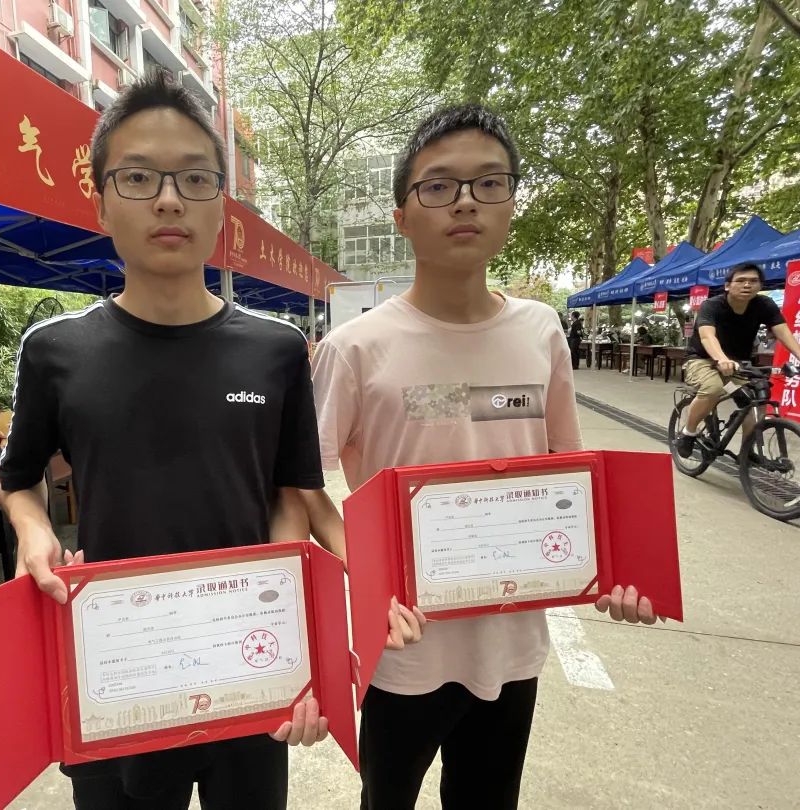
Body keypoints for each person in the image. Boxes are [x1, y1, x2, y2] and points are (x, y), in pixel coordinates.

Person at [301, 104, 661, 810]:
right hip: (406, 649)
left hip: (513, 642)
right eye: (439, 185)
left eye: (489, 183)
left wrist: (616, 570)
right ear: (403, 217)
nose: (465, 201)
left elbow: (568, 469)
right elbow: (305, 485)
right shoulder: (356, 348)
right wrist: (365, 575)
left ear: (510, 206)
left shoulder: (541, 331)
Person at [0, 73, 330, 810]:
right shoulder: (56, 351)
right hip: (117, 669)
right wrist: (33, 532)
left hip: (246, 663)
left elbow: (291, 497)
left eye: (195, 178)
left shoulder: (276, 350)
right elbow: (19, 479)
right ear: (101, 200)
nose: (169, 199)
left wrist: (290, 640)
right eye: (140, 176)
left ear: (221, 205)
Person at [676, 263, 800, 459]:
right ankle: (688, 433)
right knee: (713, 388)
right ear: (727, 285)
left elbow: (783, 333)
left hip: (739, 363)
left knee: (757, 397)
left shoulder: (764, 305)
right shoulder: (712, 305)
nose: (747, 285)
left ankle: (746, 451)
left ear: (760, 286)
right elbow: (708, 336)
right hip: (702, 359)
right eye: (741, 280)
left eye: (753, 281)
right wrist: (721, 359)